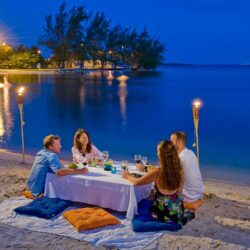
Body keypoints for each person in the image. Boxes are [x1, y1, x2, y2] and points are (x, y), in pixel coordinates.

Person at [122, 140, 194, 225]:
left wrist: (126, 176)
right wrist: (145, 168)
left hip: (161, 212)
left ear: (161, 155)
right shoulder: (180, 171)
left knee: (141, 204)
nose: (157, 153)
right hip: (177, 210)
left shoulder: (158, 172)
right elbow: (180, 191)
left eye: (158, 151)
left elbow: (137, 182)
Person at [170, 131, 205, 203]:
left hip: (189, 197)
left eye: (171, 142)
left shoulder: (180, 158)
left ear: (179, 143)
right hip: (199, 193)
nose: (170, 145)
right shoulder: (191, 153)